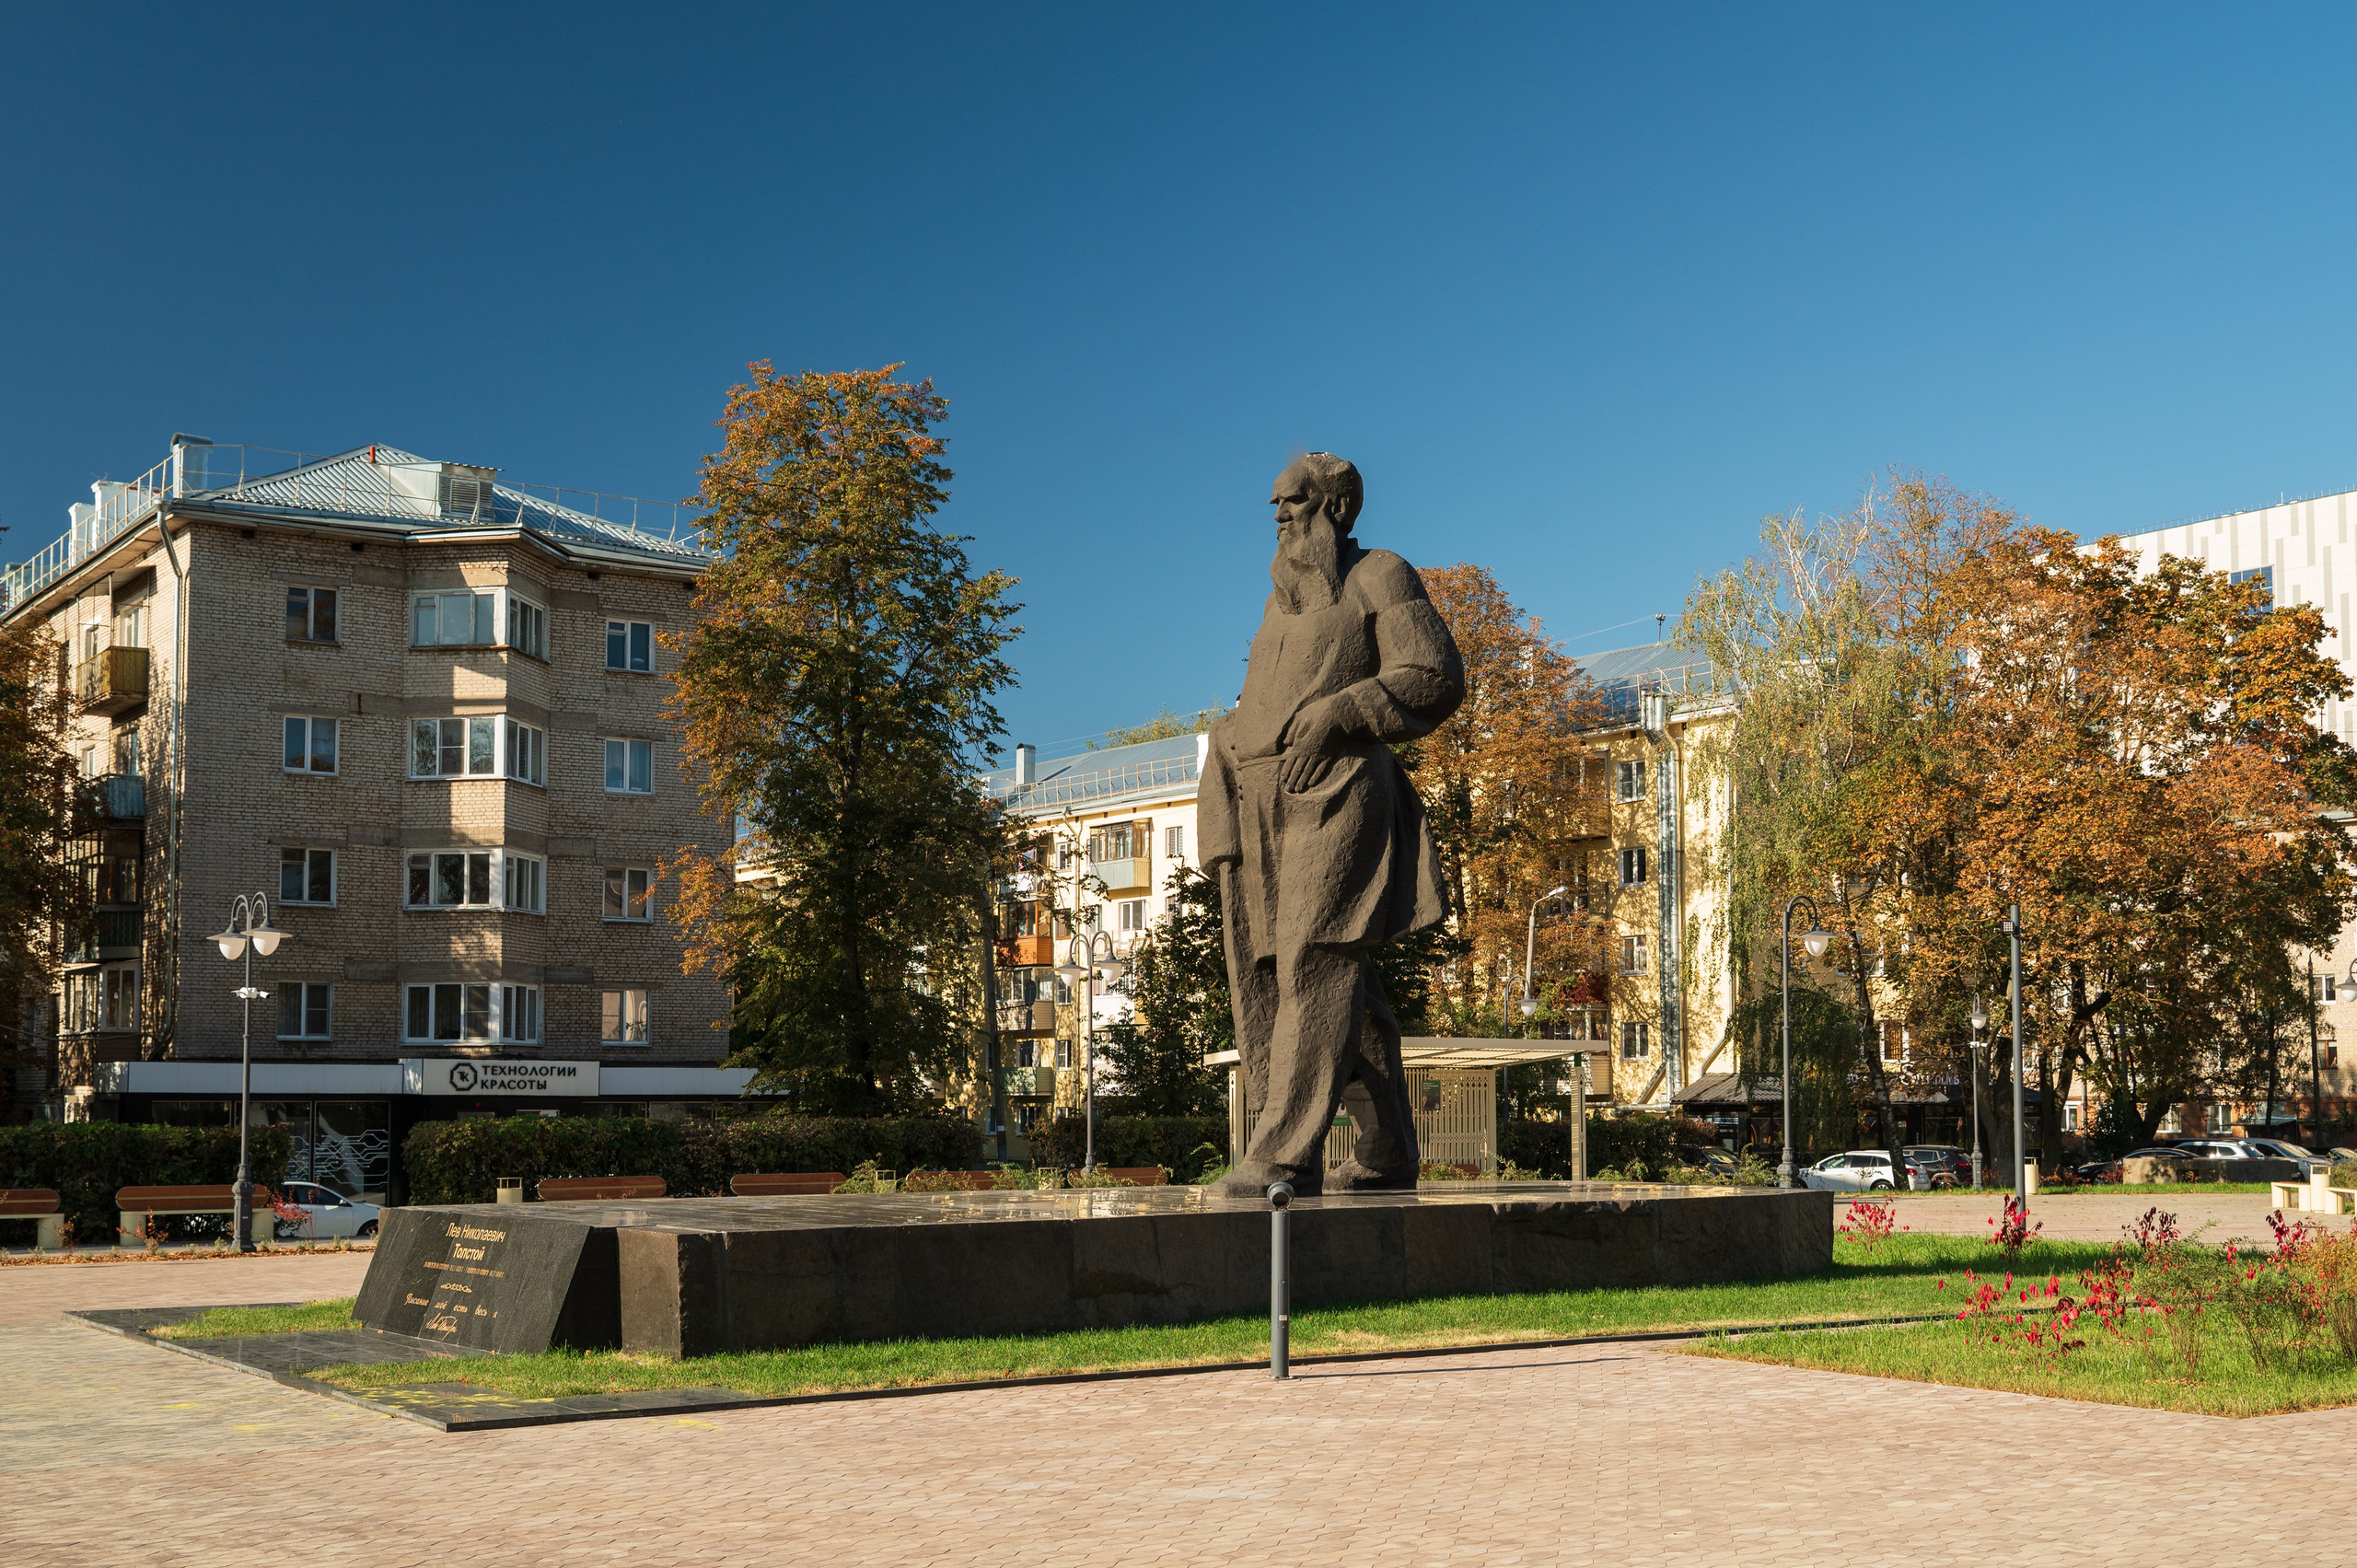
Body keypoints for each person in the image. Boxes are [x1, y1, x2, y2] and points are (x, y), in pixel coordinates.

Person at [1200, 453, 1464, 1196]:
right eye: (1277, 503)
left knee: (1314, 957)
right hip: (1258, 805)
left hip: (1338, 792)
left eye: (1297, 500)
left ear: (1338, 507)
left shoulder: (1380, 574)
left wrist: (1345, 710)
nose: (1280, 513)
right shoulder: (1276, 603)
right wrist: (1230, 737)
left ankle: (1283, 1152)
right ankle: (1387, 1145)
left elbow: (1435, 673)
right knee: (1289, 974)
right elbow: (1267, 700)